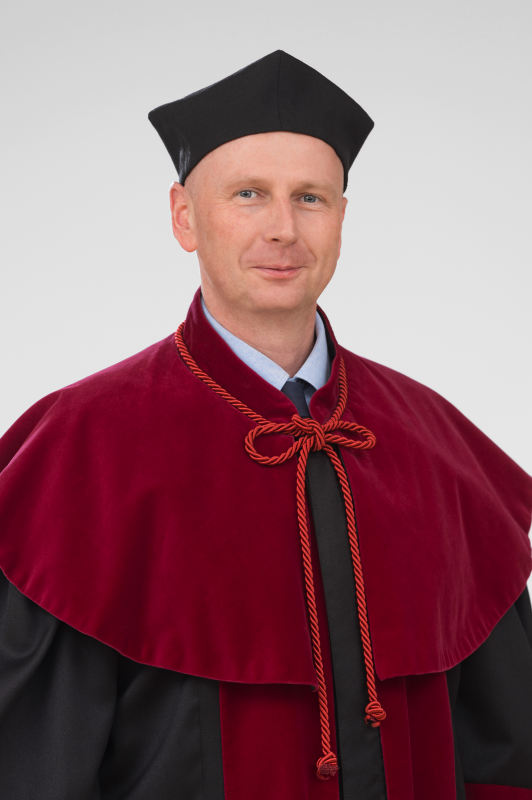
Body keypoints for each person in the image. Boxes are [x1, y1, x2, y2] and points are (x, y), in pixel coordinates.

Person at [0, 50, 531, 800]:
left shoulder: (441, 448)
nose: (283, 228)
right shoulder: (79, 451)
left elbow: (508, 759)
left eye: (310, 198)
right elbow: (33, 765)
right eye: (249, 194)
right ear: (185, 216)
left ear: (341, 219)